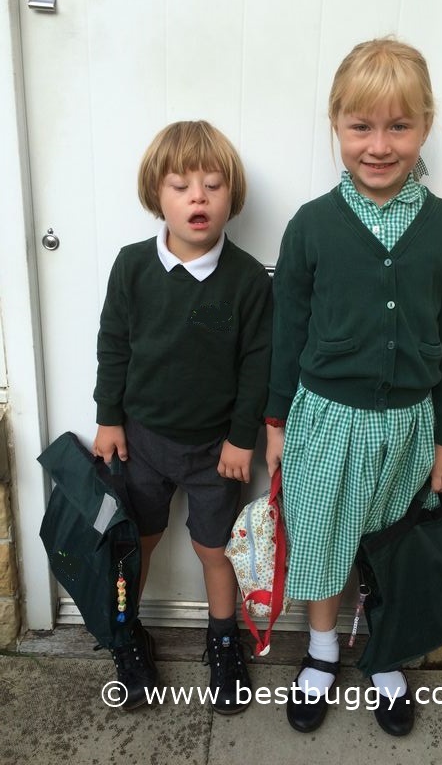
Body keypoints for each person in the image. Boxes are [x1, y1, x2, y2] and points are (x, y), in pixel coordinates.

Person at [265, 37, 442, 736]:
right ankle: (322, 650)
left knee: (391, 547)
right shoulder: (311, 227)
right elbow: (288, 332)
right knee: (324, 540)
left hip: (409, 427)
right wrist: (274, 422)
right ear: (336, 124)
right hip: (326, 420)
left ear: (425, 127)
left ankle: (384, 651)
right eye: (361, 126)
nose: (379, 146)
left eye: (398, 127)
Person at [92, 120, 272, 712]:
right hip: (141, 441)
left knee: (214, 550)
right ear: (157, 194)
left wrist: (242, 439)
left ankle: (222, 640)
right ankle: (128, 635)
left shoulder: (247, 279)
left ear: (231, 196)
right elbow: (113, 344)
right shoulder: (132, 267)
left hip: (216, 451)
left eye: (213, 185)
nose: (198, 198)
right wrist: (109, 418)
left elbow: (256, 366)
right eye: (181, 186)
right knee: (136, 544)